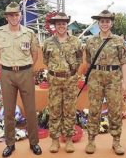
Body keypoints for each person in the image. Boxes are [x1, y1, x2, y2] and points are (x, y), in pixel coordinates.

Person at [0, 2, 42, 157]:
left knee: (31, 109)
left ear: (21, 16)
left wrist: (29, 69)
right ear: (7, 17)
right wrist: (3, 68)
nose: (14, 17)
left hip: (26, 72)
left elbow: (35, 53)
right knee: (8, 111)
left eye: (16, 14)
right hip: (7, 74)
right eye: (11, 15)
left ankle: (34, 142)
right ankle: (10, 144)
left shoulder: (29, 33)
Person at [84, 10, 126, 155]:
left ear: (112, 23)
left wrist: (125, 82)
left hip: (113, 78)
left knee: (115, 110)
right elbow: (88, 61)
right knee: (94, 109)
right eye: (102, 21)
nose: (105, 24)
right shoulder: (90, 41)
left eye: (107, 21)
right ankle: (91, 140)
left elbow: (124, 62)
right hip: (96, 78)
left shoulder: (118, 40)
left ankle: (116, 141)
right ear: (98, 23)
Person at [42, 12, 83, 153]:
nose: (61, 26)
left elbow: (79, 59)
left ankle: (69, 140)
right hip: (54, 81)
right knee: (54, 110)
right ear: (54, 25)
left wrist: (70, 72)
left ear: (67, 25)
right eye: (58, 23)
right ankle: (54, 141)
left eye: (64, 23)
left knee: (70, 110)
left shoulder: (76, 42)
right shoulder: (48, 42)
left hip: (70, 80)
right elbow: (46, 60)